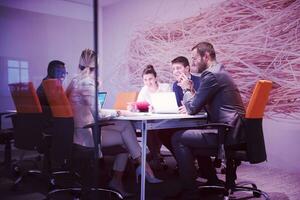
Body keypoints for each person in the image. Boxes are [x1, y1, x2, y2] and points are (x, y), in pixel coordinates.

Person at [66, 49, 162, 197]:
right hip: (86, 137)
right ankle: (140, 169)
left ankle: (138, 168)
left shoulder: (74, 82)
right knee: (126, 139)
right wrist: (118, 112)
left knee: (124, 126)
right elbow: (97, 114)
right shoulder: (88, 84)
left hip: (76, 132)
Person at [171, 42, 245, 199]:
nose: (192, 63)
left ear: (206, 56)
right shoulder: (219, 72)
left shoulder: (211, 75)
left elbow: (192, 108)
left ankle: (190, 192)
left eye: (195, 58)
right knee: (195, 135)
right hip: (235, 130)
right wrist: (191, 90)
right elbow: (199, 103)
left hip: (227, 133)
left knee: (178, 138)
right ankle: (212, 180)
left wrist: (185, 88)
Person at [137, 65, 171, 169]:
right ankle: (156, 155)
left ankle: (155, 155)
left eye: (150, 79)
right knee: (147, 129)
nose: (148, 82)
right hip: (150, 119)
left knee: (157, 129)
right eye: (145, 80)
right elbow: (139, 105)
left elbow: (169, 104)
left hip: (164, 120)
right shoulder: (144, 90)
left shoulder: (165, 87)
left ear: (155, 78)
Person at [37, 60, 67, 133]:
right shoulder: (50, 86)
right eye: (61, 72)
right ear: (52, 71)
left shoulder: (44, 84)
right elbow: (62, 108)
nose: (63, 75)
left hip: (45, 124)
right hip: (52, 125)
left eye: (65, 73)